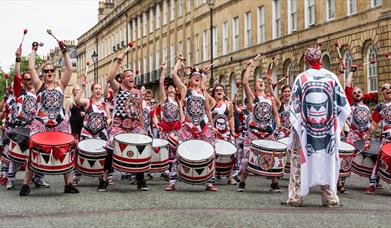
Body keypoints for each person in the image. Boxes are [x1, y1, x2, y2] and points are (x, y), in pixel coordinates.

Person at [286, 48, 351, 207]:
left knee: (299, 161)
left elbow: (293, 107)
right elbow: (343, 106)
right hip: (328, 129)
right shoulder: (332, 77)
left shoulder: (301, 78)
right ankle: (329, 197)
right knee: (327, 159)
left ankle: (296, 197)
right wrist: (336, 123)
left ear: (306, 60)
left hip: (305, 130)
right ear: (320, 59)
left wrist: (298, 126)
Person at [19, 41, 79, 196]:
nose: (49, 72)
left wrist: (64, 51)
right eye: (46, 71)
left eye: (52, 70)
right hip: (41, 123)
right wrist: (33, 50)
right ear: (43, 74)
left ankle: (68, 184)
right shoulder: (39, 85)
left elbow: (70, 68)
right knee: (34, 149)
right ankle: (26, 184)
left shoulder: (61, 84)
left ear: (55, 72)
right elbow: (31, 68)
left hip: (59, 123)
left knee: (66, 148)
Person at [97, 50, 149, 192]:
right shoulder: (118, 89)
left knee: (143, 145)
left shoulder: (138, 93)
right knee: (110, 148)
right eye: (128, 76)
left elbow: (140, 112)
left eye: (133, 76)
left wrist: (143, 127)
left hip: (134, 126)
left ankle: (140, 178)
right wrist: (119, 61)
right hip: (119, 126)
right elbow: (110, 77)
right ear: (123, 79)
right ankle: (104, 177)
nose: (132, 78)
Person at [169, 54, 217, 191]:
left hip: (203, 126)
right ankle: (172, 181)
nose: (197, 77)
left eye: (199, 76)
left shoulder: (203, 92)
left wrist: (212, 127)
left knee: (210, 152)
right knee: (179, 151)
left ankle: (209, 181)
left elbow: (208, 111)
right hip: (188, 127)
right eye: (194, 75)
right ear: (190, 78)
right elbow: (173, 74)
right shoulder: (185, 90)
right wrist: (179, 61)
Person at [237, 59, 282, 193]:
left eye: (262, 81)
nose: (260, 82)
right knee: (247, 157)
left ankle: (274, 184)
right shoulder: (253, 97)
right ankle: (242, 182)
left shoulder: (271, 99)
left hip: (268, 132)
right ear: (255, 86)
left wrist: (278, 126)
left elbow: (276, 114)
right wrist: (249, 66)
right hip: (254, 132)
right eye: (257, 81)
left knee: (273, 156)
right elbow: (245, 82)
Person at [7, 47, 48, 190]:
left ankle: (39, 178)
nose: (30, 81)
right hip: (20, 126)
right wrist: (17, 58)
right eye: (27, 79)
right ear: (23, 82)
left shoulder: (39, 92)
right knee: (16, 154)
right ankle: (11, 179)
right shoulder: (19, 91)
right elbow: (16, 74)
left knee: (38, 153)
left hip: (35, 127)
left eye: (31, 79)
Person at [339, 65, 373, 194]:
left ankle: (373, 181)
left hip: (364, 137)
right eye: (354, 93)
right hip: (352, 136)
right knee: (347, 158)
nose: (357, 94)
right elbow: (348, 85)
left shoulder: (367, 107)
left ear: (363, 94)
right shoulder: (350, 105)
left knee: (369, 158)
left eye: (359, 92)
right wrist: (351, 72)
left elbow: (369, 124)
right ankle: (341, 183)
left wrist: (368, 137)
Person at [72, 77, 111, 185]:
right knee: (82, 152)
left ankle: (105, 175)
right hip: (87, 131)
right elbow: (76, 100)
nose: (98, 91)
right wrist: (83, 87)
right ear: (92, 91)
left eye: (99, 89)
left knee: (104, 153)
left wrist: (108, 121)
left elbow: (109, 117)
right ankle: (77, 175)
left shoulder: (104, 105)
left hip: (101, 132)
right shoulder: (88, 102)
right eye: (96, 89)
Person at [153, 63, 184, 190]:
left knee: (176, 153)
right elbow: (161, 83)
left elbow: (182, 115)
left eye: (173, 87)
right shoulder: (163, 99)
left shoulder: (179, 101)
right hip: (166, 129)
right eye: (169, 88)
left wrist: (181, 124)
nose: (171, 89)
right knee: (167, 152)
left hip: (176, 129)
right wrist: (164, 70)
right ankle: (167, 172)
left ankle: (174, 174)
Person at [209, 83, 237, 185]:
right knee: (213, 153)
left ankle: (230, 176)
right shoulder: (211, 103)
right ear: (214, 93)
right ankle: (212, 175)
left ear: (224, 92)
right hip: (214, 132)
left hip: (226, 132)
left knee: (231, 152)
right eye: (217, 90)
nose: (219, 92)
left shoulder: (228, 104)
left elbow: (231, 117)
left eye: (221, 90)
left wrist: (233, 130)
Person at [366, 83, 391, 194]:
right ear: (382, 92)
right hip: (385, 137)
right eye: (385, 88)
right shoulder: (379, 107)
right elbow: (374, 124)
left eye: (390, 88)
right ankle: (373, 184)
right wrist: (368, 136)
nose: (388, 89)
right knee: (379, 159)